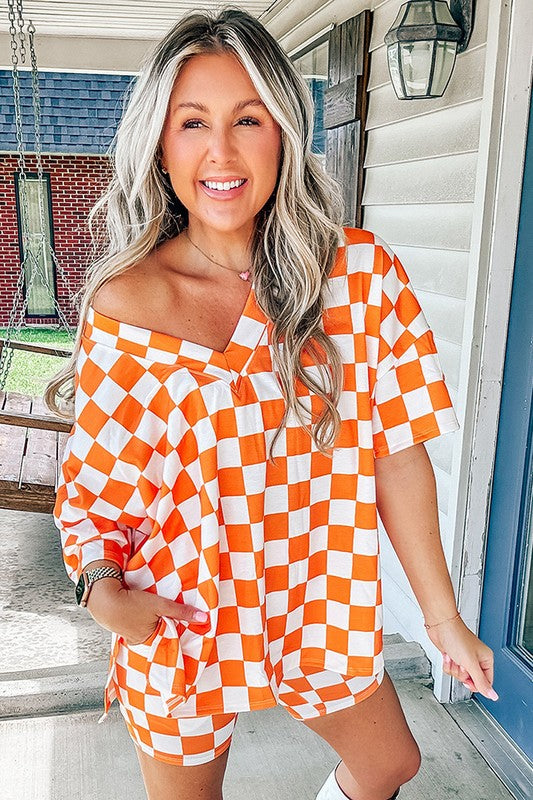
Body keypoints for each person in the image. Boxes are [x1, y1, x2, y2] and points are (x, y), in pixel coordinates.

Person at [47, 7, 498, 800]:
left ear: (283, 133)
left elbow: (397, 453)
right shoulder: (128, 302)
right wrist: (102, 592)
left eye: (247, 119)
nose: (220, 151)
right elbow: (95, 491)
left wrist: (441, 619)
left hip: (316, 600)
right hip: (181, 613)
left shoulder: (358, 277)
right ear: (160, 145)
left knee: (389, 763)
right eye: (192, 122)